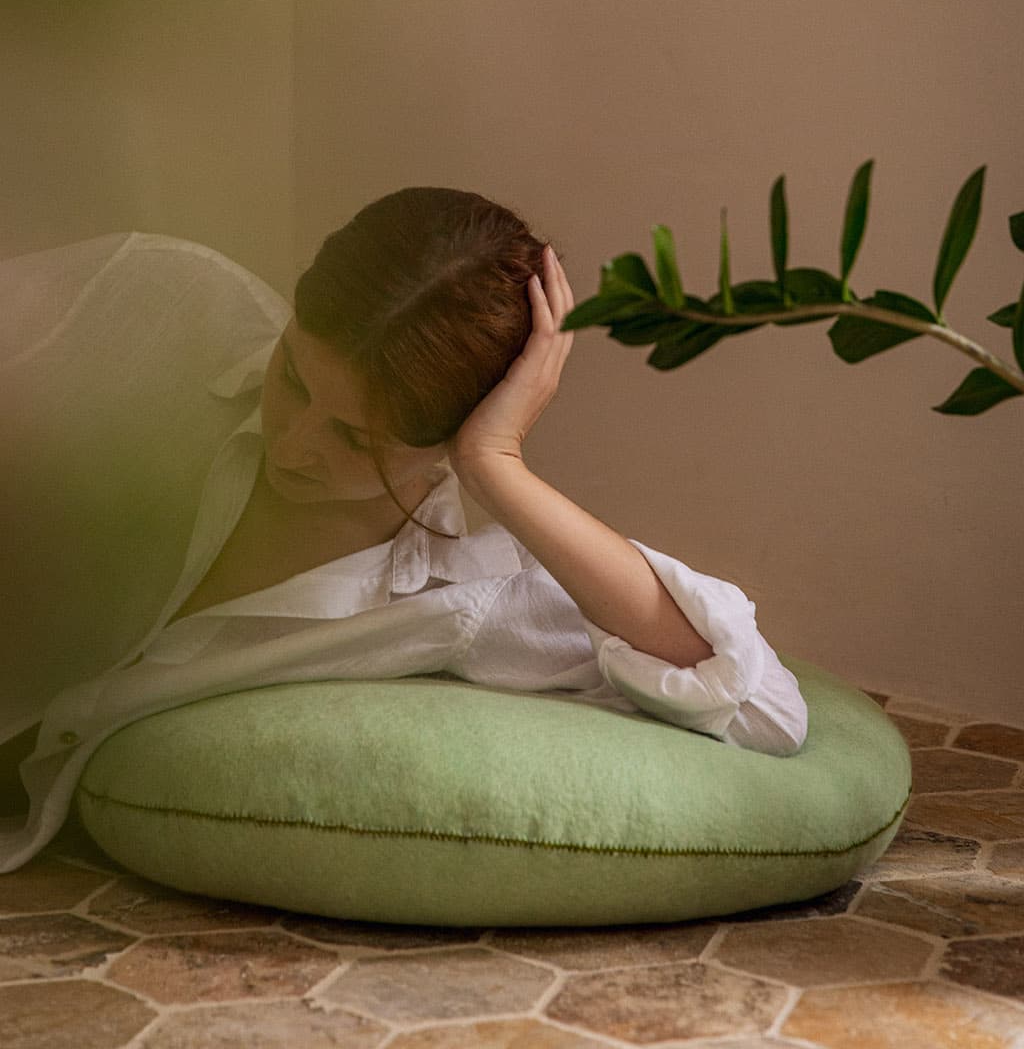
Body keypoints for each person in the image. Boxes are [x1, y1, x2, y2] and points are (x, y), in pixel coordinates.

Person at [0, 188, 807, 872]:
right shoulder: (167, 309)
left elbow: (765, 709)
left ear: (443, 445)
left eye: (355, 438)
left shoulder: (455, 592)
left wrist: (498, 463)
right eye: (291, 377)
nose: (294, 443)